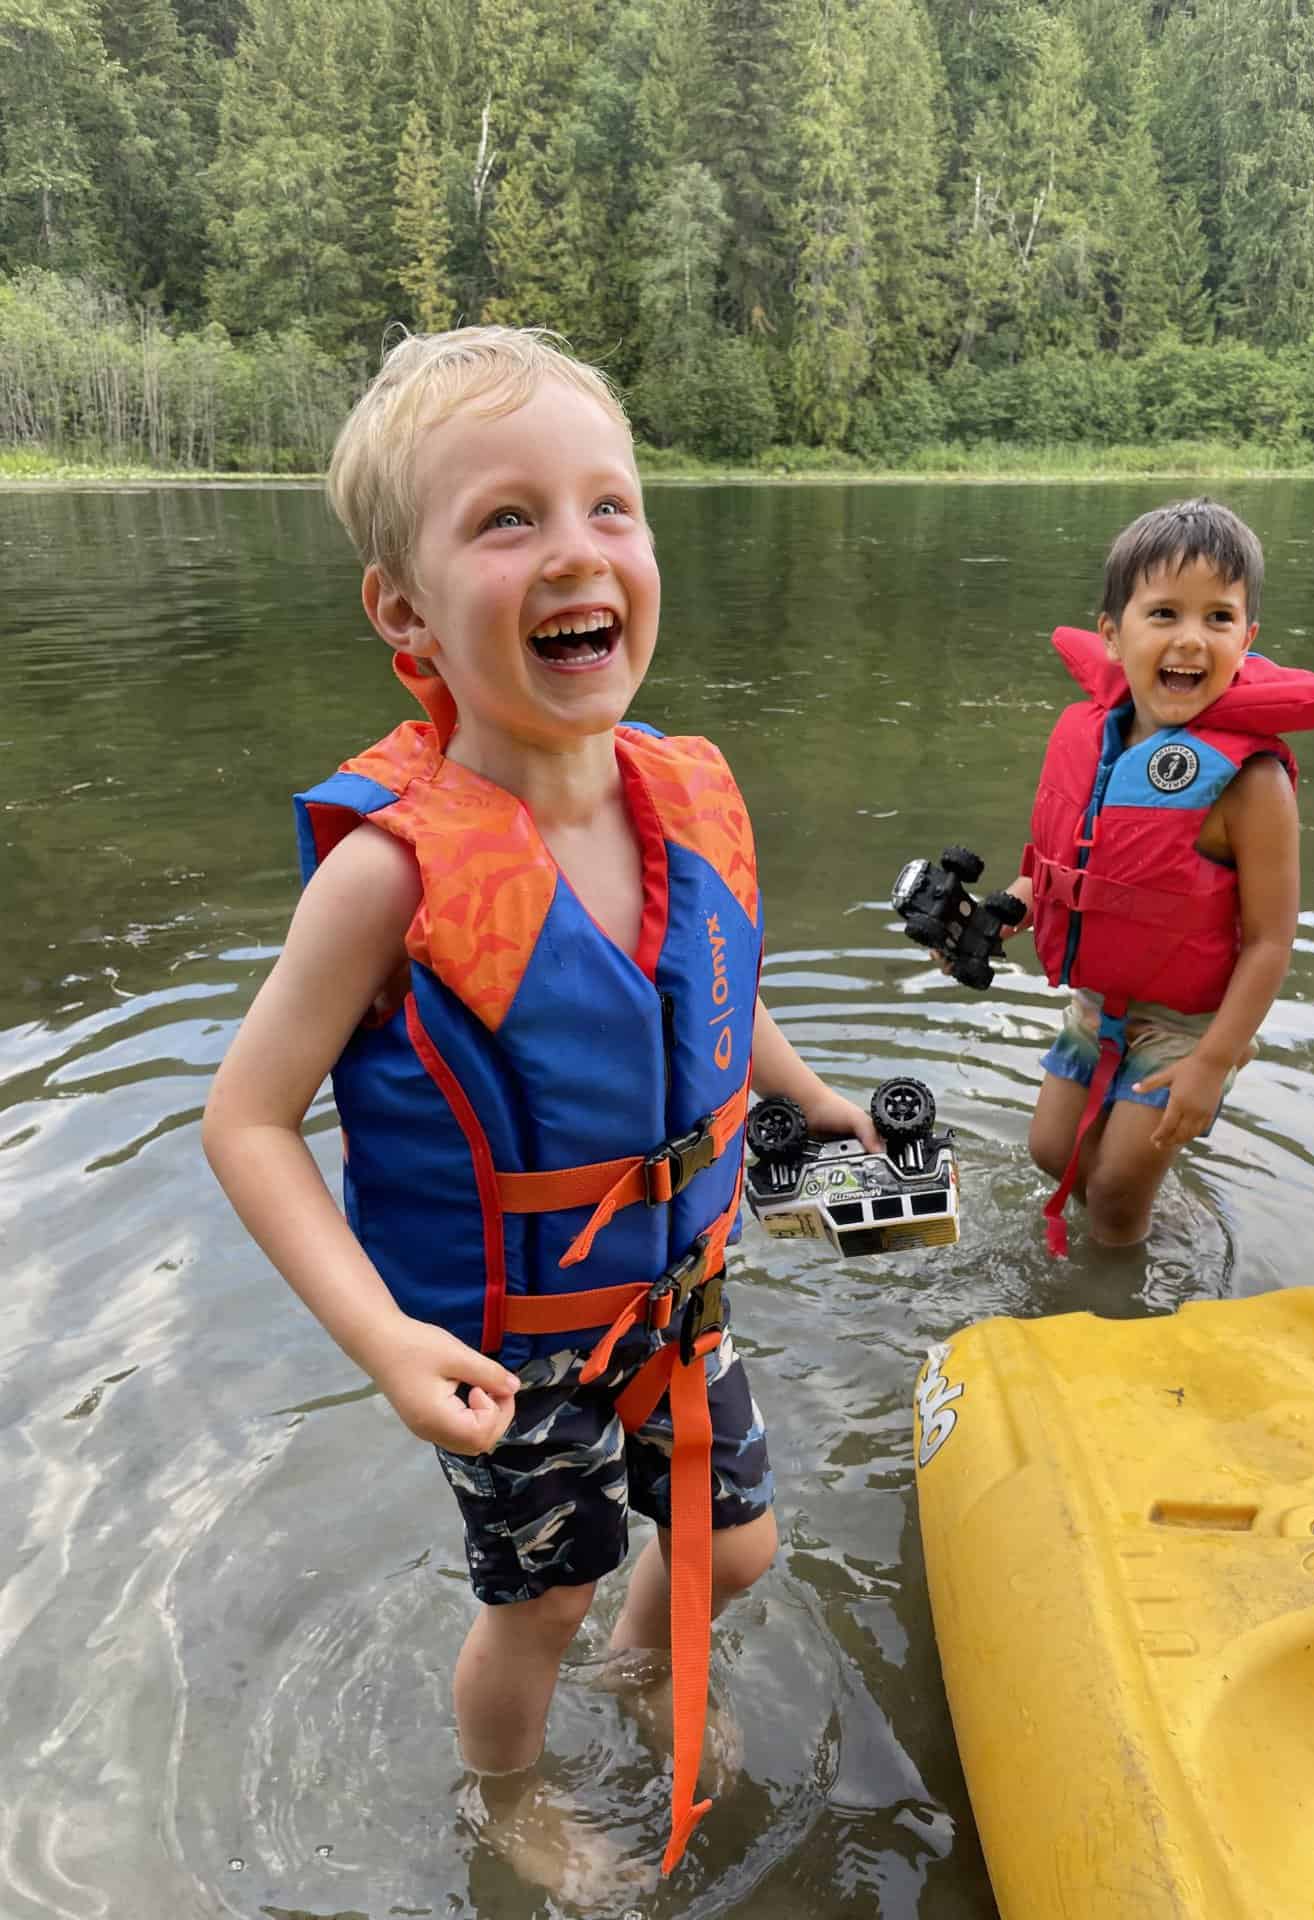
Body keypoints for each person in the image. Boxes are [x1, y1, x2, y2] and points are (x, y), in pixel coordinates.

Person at [201, 325, 879, 1896]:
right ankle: (506, 1797)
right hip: (512, 1343)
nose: (575, 550)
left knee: (739, 1545)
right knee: (542, 1601)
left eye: (608, 508)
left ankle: (650, 1679)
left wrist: (815, 1099)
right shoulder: (390, 874)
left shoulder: (687, 796)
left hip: (680, 1296)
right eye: (506, 520)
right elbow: (246, 1120)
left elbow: (708, 997)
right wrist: (383, 1342)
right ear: (405, 609)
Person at [995, 498, 1314, 1254]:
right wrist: (1006, 909)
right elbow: (1059, 869)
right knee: (1050, 1152)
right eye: (1163, 613)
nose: (1191, 639)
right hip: (1099, 1002)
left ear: (1248, 636)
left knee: (1120, 1188)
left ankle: (1120, 1298)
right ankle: (1138, 1217)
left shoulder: (1252, 781)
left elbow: (1269, 941)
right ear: (1112, 633)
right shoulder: (1091, 739)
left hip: (1189, 1027)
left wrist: (1212, 1062)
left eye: (1219, 619)